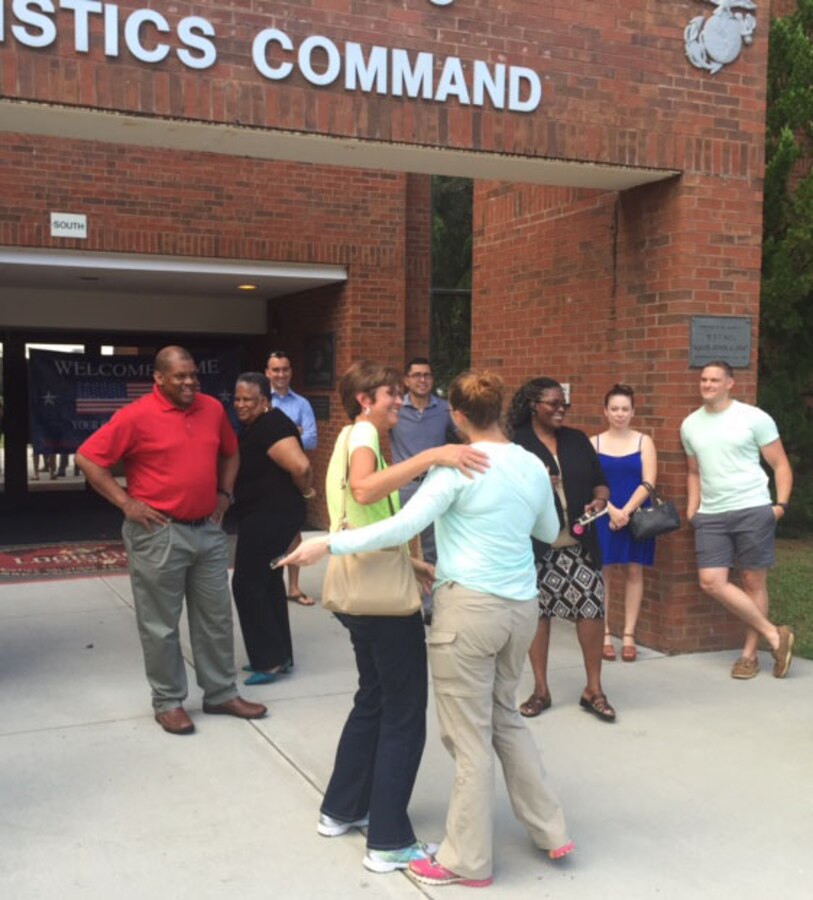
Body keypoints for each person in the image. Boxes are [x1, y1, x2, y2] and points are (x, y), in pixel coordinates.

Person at [280, 370, 573, 888]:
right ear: (501, 408)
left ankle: (467, 861)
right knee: (504, 715)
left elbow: (401, 526)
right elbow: (550, 532)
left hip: (469, 614)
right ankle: (551, 831)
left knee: (468, 740)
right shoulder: (531, 464)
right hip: (522, 610)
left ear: (456, 417)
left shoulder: (455, 468)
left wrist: (328, 544)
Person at [277, 359, 487, 876]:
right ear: (364, 399)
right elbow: (367, 491)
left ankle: (341, 809)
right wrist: (435, 455)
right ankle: (389, 841)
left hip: (358, 595)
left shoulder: (349, 435)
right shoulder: (366, 435)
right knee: (403, 713)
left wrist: (412, 561)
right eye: (389, 392)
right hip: (383, 606)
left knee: (371, 701)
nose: (399, 400)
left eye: (398, 392)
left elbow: (358, 512)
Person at [76, 346, 267, 735]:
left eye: (193, 374)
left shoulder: (212, 409)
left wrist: (225, 494)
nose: (190, 382)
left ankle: (220, 693)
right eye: (180, 376)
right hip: (157, 532)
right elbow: (88, 458)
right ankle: (168, 701)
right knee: (160, 625)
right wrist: (126, 503)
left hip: (208, 531)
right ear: (159, 379)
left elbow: (231, 454)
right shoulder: (136, 416)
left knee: (215, 618)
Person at [509, 377, 616, 722]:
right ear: (532, 405)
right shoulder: (516, 443)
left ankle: (593, 690)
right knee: (538, 615)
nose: (560, 410)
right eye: (553, 404)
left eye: (563, 404)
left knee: (591, 609)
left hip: (578, 542)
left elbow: (600, 479)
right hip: (535, 545)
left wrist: (601, 498)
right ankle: (541, 690)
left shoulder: (576, 439)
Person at [680, 360, 794, 679]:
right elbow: (693, 471)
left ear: (731, 383)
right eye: (703, 379)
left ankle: (749, 655)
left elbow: (780, 464)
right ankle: (775, 635)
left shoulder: (754, 418)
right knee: (711, 581)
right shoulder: (690, 425)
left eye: (715, 380)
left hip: (752, 509)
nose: (707, 385)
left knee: (752, 581)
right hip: (711, 515)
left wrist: (780, 505)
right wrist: (693, 510)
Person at [231, 372, 314, 686]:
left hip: (270, 516)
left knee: (247, 584)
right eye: (237, 399)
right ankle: (281, 655)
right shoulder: (262, 424)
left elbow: (301, 466)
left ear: (264, 401)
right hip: (266, 514)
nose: (240, 405)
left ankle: (269, 661)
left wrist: (306, 493)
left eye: (248, 400)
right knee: (267, 582)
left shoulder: (270, 425)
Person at [590, 384, 657, 663]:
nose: (620, 414)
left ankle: (628, 635)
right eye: (614, 409)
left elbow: (649, 482)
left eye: (625, 409)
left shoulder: (644, 442)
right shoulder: (593, 443)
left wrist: (626, 511)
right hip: (604, 514)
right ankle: (604, 633)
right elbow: (590, 484)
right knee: (603, 573)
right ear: (606, 411)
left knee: (634, 572)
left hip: (636, 514)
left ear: (633, 412)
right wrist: (612, 511)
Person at [390, 356, 458, 623]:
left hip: (433, 486)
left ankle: (430, 605)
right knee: (396, 547)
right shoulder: (396, 410)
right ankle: (400, 600)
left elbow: (462, 436)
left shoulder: (444, 410)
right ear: (406, 380)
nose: (422, 380)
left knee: (433, 549)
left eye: (427, 375)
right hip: (403, 487)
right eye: (416, 375)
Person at [265, 350, 318, 607]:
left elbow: (312, 439)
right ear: (267, 373)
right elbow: (257, 436)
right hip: (266, 476)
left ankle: (294, 588)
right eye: (276, 370)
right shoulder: (262, 400)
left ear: (290, 372)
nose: (281, 374)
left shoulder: (302, 404)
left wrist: (283, 439)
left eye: (285, 369)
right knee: (267, 531)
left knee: (294, 531)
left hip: (293, 478)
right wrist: (293, 432)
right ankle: (268, 586)